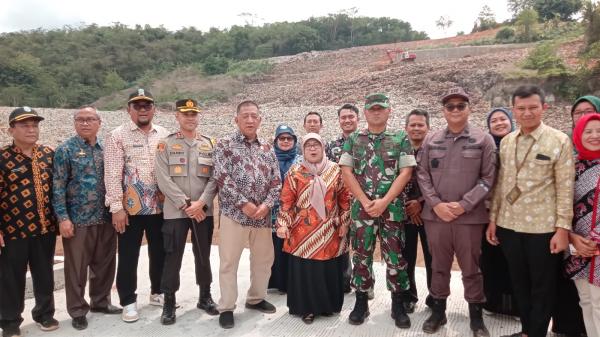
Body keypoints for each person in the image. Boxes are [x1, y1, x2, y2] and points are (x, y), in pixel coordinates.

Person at [487, 85, 574, 337]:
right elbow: (501, 184)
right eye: (521, 108)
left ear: (543, 108)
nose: (527, 113)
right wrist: (493, 219)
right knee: (519, 283)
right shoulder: (507, 141)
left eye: (533, 108)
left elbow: (565, 187)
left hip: (543, 228)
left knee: (542, 286)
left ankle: (536, 333)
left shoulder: (558, 140)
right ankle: (527, 330)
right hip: (509, 225)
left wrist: (562, 230)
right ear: (513, 110)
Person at [417, 87, 496, 336]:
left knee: (471, 268)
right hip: (436, 216)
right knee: (439, 265)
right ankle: (438, 312)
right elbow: (422, 174)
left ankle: (476, 317)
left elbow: (488, 178)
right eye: (450, 106)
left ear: (468, 109)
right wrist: (436, 204)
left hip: (469, 218)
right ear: (443, 111)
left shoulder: (484, 140)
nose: (455, 110)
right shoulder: (431, 140)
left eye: (460, 106)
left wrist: (464, 205)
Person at [339, 93, 415, 329]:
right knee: (361, 255)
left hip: (391, 208)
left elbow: (406, 172)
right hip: (362, 211)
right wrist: (364, 201)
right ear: (365, 112)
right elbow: (346, 171)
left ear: (389, 111)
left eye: (380, 108)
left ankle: (397, 304)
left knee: (395, 256)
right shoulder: (354, 139)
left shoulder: (401, 138)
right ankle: (361, 301)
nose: (376, 112)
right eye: (372, 109)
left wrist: (384, 202)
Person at [212, 100, 281, 329]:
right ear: (236, 120)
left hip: (262, 216)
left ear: (260, 119)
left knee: (263, 259)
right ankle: (227, 307)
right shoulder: (225, 145)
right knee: (229, 262)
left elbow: (276, 181)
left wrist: (266, 206)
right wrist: (245, 205)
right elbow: (222, 178)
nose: (250, 120)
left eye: (254, 116)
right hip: (235, 215)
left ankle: (256, 298)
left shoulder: (268, 148)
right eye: (245, 116)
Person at [52, 106, 121, 331]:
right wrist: (63, 218)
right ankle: (78, 310)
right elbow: (58, 187)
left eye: (90, 119)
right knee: (76, 268)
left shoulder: (106, 150)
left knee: (105, 264)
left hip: (105, 217)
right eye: (80, 119)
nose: (85, 123)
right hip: (78, 220)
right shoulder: (66, 150)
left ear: (99, 123)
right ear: (74, 123)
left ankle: (100, 302)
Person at [104, 88, 169, 323]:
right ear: (128, 109)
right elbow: (112, 174)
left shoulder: (164, 133)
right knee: (129, 255)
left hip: (160, 207)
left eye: (147, 105)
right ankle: (128, 302)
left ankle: (158, 292)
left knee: (159, 252)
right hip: (130, 209)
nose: (143, 109)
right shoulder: (117, 136)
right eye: (137, 105)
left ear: (154, 108)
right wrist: (116, 208)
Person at [154, 99, 219, 325]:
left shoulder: (210, 144)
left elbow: (215, 178)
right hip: (176, 212)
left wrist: (200, 203)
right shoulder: (166, 144)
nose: (190, 117)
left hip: (203, 211)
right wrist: (186, 204)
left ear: (198, 116)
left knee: (203, 255)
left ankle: (205, 296)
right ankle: (169, 302)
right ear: (177, 117)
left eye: (194, 114)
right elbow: (163, 178)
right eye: (185, 114)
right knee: (173, 256)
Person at [276, 133, 351, 324]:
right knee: (306, 272)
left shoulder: (335, 170)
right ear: (303, 149)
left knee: (327, 270)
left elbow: (345, 198)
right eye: (308, 145)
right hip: (302, 232)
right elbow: (286, 201)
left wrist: (344, 222)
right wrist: (283, 223)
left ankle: (327, 306)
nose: (312, 148)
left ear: (322, 147)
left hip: (329, 230)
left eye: (316, 145)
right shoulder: (295, 172)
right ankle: (306, 308)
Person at [0, 107, 59, 337]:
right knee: (10, 277)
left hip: (45, 227)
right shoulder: (3, 157)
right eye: (24, 125)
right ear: (11, 129)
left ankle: (44, 314)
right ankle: (10, 322)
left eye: (34, 125)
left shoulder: (48, 153)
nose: (31, 129)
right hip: (13, 229)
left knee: (44, 273)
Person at [480, 107, 519, 317]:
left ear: (511, 121)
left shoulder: (520, 145)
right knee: (489, 260)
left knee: (514, 261)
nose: (499, 123)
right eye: (494, 120)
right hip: (486, 213)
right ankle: (491, 303)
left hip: (515, 214)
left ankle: (515, 307)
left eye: (503, 119)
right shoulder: (485, 148)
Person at [565, 113, 600, 337]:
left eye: (599, 131)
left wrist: (596, 240)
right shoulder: (571, 166)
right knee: (586, 301)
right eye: (588, 131)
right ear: (578, 134)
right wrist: (571, 237)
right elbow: (561, 202)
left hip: (596, 245)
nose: (595, 135)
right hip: (577, 246)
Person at [325, 103, 360, 296]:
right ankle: (344, 280)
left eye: (351, 117)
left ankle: (365, 283)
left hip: (363, 202)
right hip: (340, 203)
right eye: (343, 117)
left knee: (364, 243)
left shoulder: (366, 141)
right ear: (339, 121)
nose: (347, 120)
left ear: (357, 119)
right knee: (341, 241)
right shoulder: (332, 146)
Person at [402, 108, 433, 313]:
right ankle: (408, 296)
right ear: (406, 128)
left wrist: (420, 202)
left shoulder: (436, 150)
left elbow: (441, 180)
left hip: (430, 212)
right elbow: (391, 179)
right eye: (412, 124)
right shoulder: (399, 150)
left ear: (428, 127)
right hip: (404, 212)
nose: (416, 128)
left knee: (433, 257)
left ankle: (435, 296)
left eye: (420, 124)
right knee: (406, 256)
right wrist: (409, 205)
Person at [268, 124, 300, 294]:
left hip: (296, 211)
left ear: (295, 141)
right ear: (276, 141)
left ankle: (293, 282)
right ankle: (277, 281)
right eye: (282, 138)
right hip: (273, 211)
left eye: (289, 138)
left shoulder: (301, 160)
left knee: (293, 244)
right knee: (276, 245)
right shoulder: (268, 159)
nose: (286, 141)